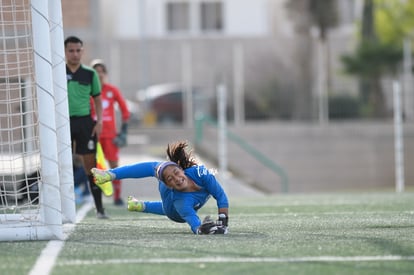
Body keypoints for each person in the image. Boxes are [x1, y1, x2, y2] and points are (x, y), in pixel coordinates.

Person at [91, 141, 229, 234]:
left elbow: (221, 196)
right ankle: (109, 175)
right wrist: (202, 229)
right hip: (175, 214)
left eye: (176, 173)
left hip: (176, 190)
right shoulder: (181, 203)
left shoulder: (202, 173)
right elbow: (195, 226)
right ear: (167, 185)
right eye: (170, 179)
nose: (176, 179)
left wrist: (223, 223)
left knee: (161, 167)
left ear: (182, 169)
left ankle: (138, 205)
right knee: (157, 169)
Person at [65, 36, 109, 219]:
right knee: (61, 164)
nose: (75, 54)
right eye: (71, 50)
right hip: (63, 122)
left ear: (82, 51)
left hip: (85, 123)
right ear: (65, 52)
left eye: (78, 50)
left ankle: (99, 209)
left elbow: (97, 99)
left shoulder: (90, 74)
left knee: (90, 167)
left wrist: (99, 122)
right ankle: (57, 207)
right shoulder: (56, 71)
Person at [90, 59, 130, 206]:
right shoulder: (87, 91)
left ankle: (117, 196)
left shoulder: (112, 90)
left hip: (110, 136)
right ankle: (95, 196)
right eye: (96, 71)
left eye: (102, 71)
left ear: (105, 74)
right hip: (93, 136)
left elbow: (125, 111)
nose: (99, 74)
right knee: (93, 167)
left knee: (114, 167)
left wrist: (123, 131)